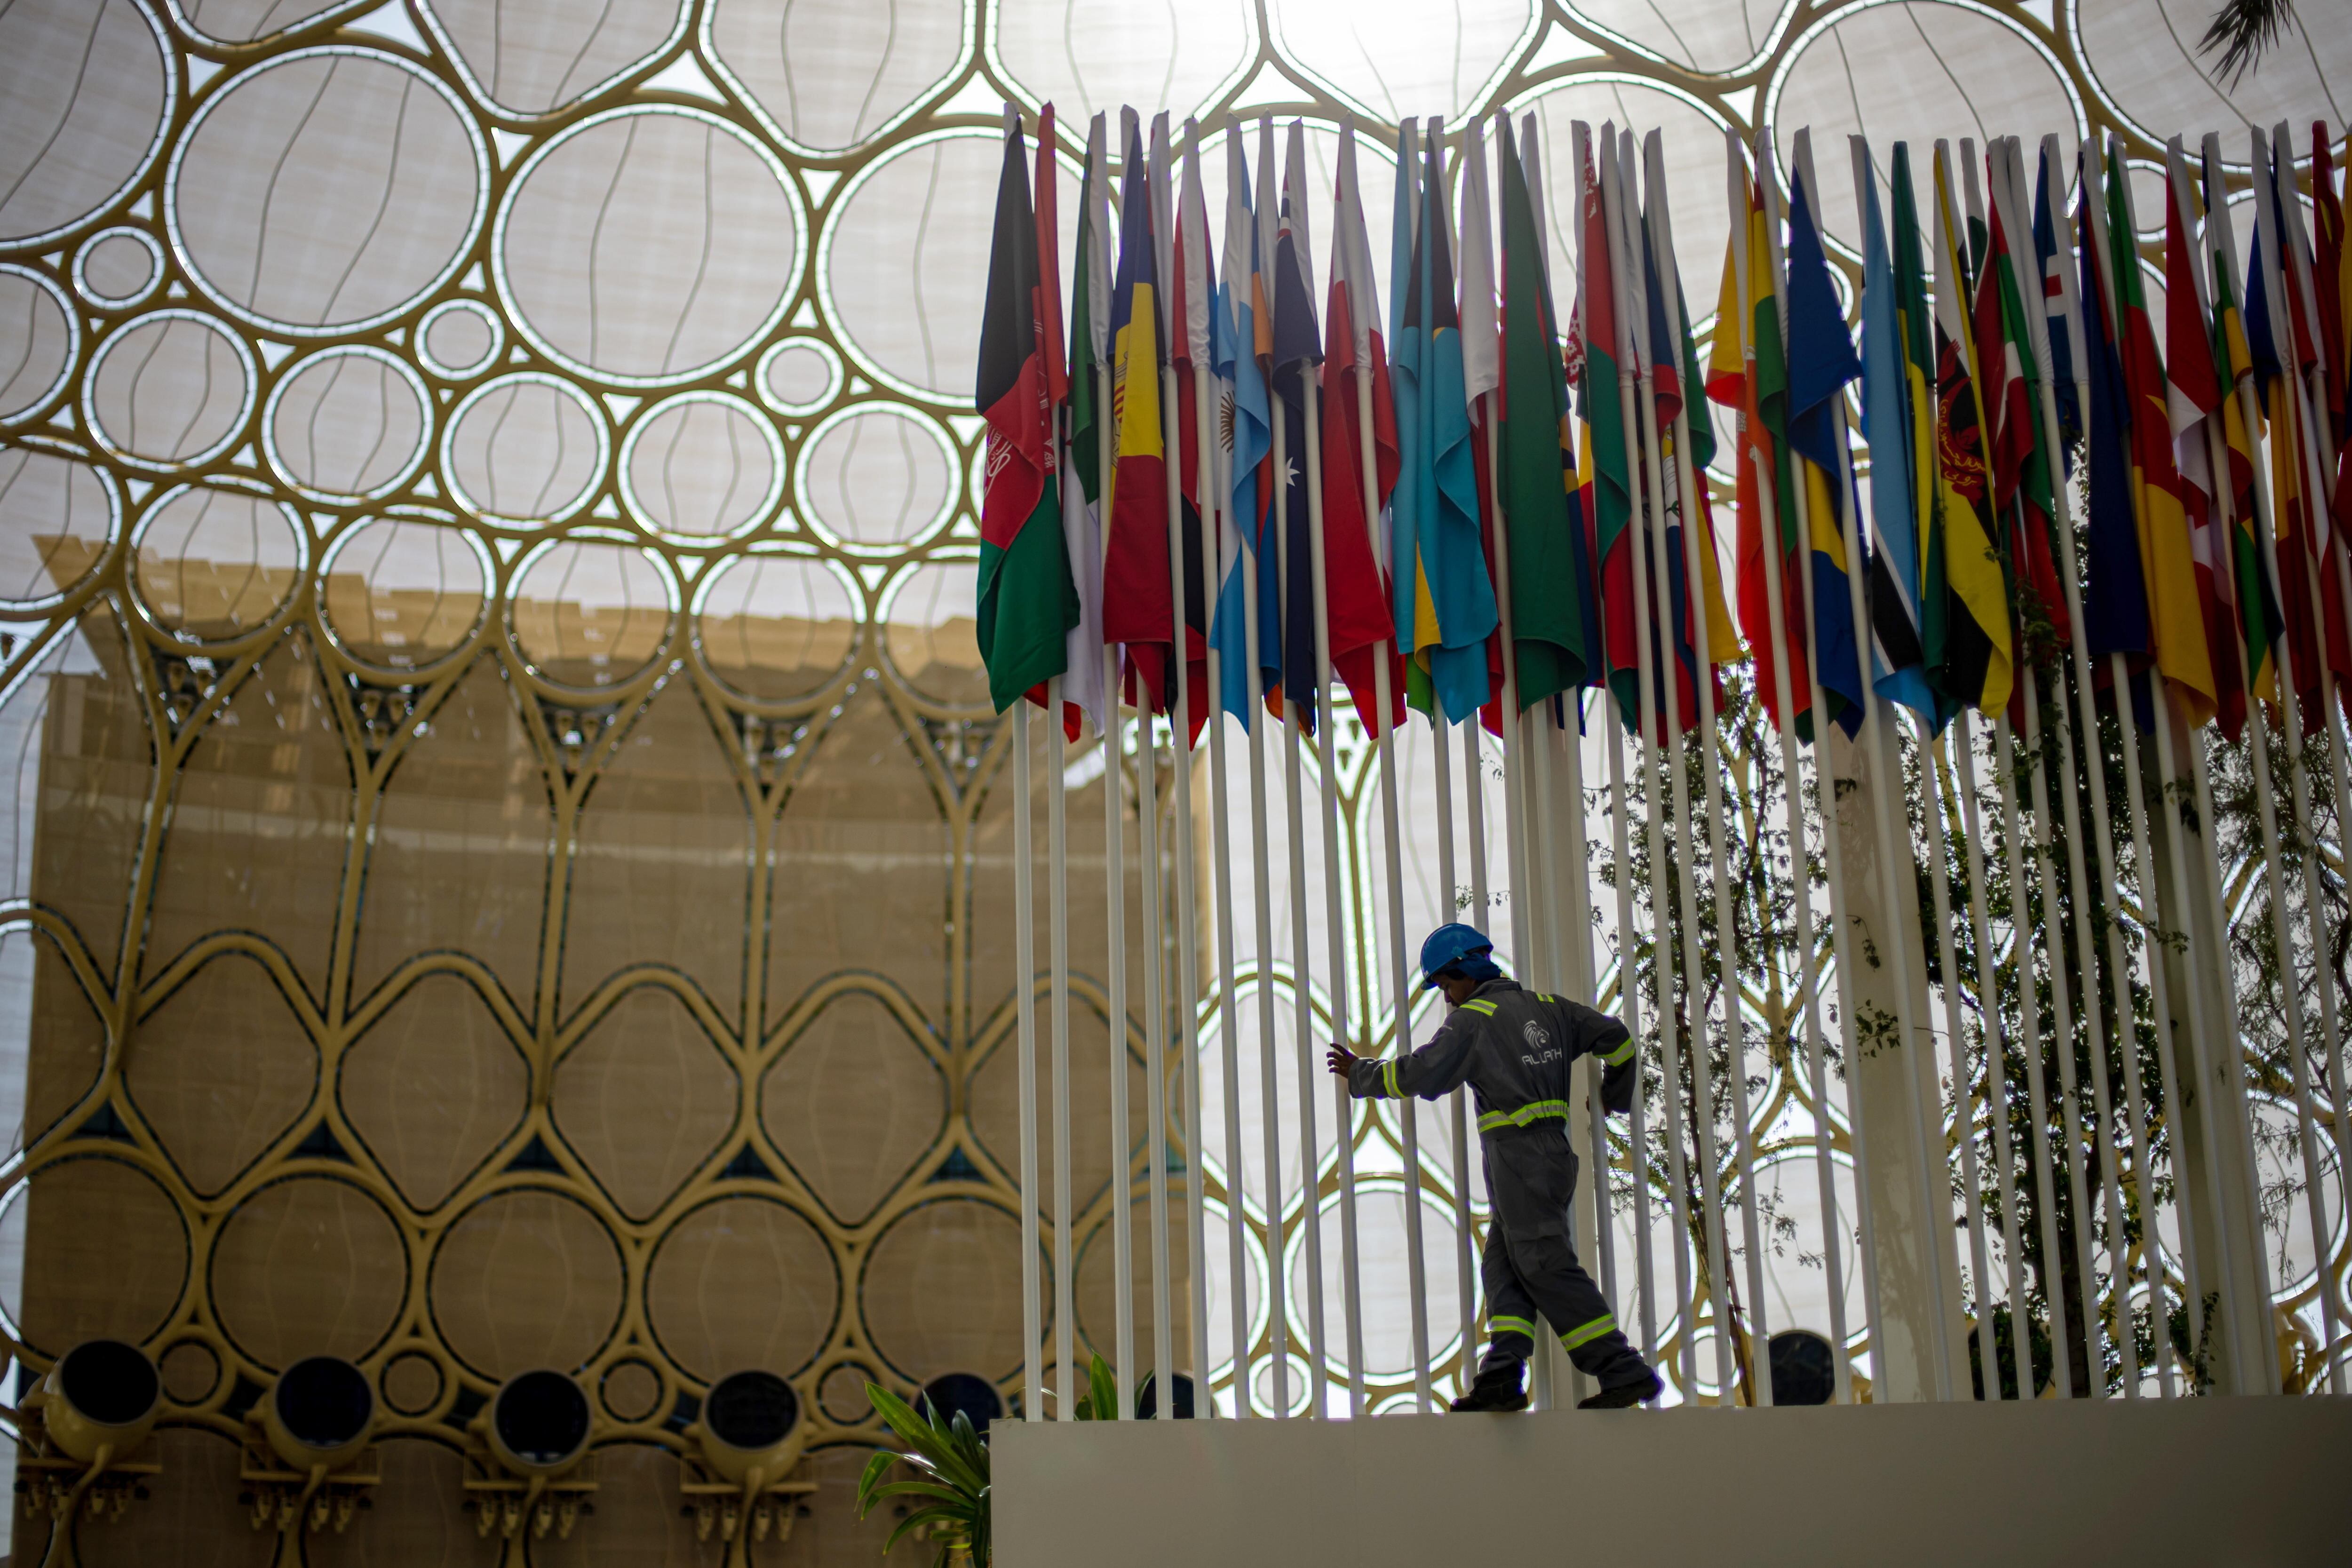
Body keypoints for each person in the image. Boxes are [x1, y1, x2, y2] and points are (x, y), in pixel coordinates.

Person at [1327, 922, 1663, 1412]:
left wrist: (1360, 1073)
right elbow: (1618, 1040)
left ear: (1464, 969)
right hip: (1549, 1158)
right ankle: (1502, 1377)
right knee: (1503, 1265)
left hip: (1518, 1162)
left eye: (1444, 984)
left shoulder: (1474, 1021)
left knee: (1544, 1265)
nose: (1445, 997)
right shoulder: (1549, 1009)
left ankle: (1621, 1369)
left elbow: (1420, 1074)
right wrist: (1612, 1098)